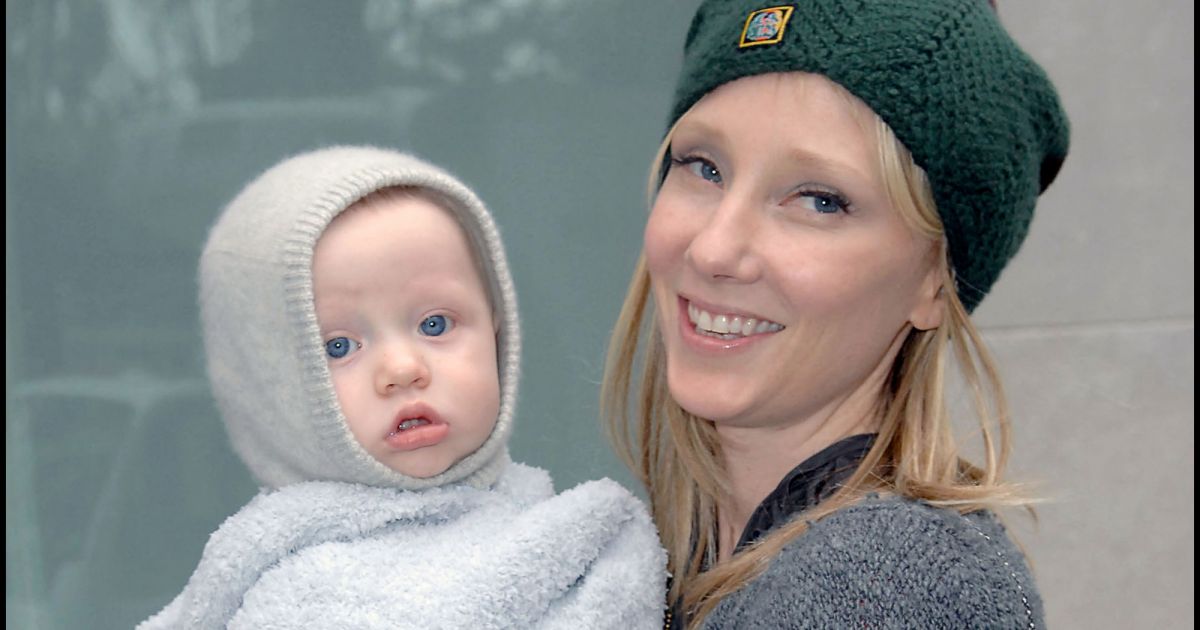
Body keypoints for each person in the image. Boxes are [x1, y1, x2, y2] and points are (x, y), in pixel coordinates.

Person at [602, 1, 1069, 628]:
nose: (714, 248)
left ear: (936, 282)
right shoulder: (651, 569)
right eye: (702, 167)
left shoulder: (883, 581)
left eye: (820, 200)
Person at [140, 146, 665, 629]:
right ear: (269, 390)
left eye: (435, 324)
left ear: (498, 329)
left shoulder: (574, 543)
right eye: (339, 347)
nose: (403, 369)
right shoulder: (271, 578)